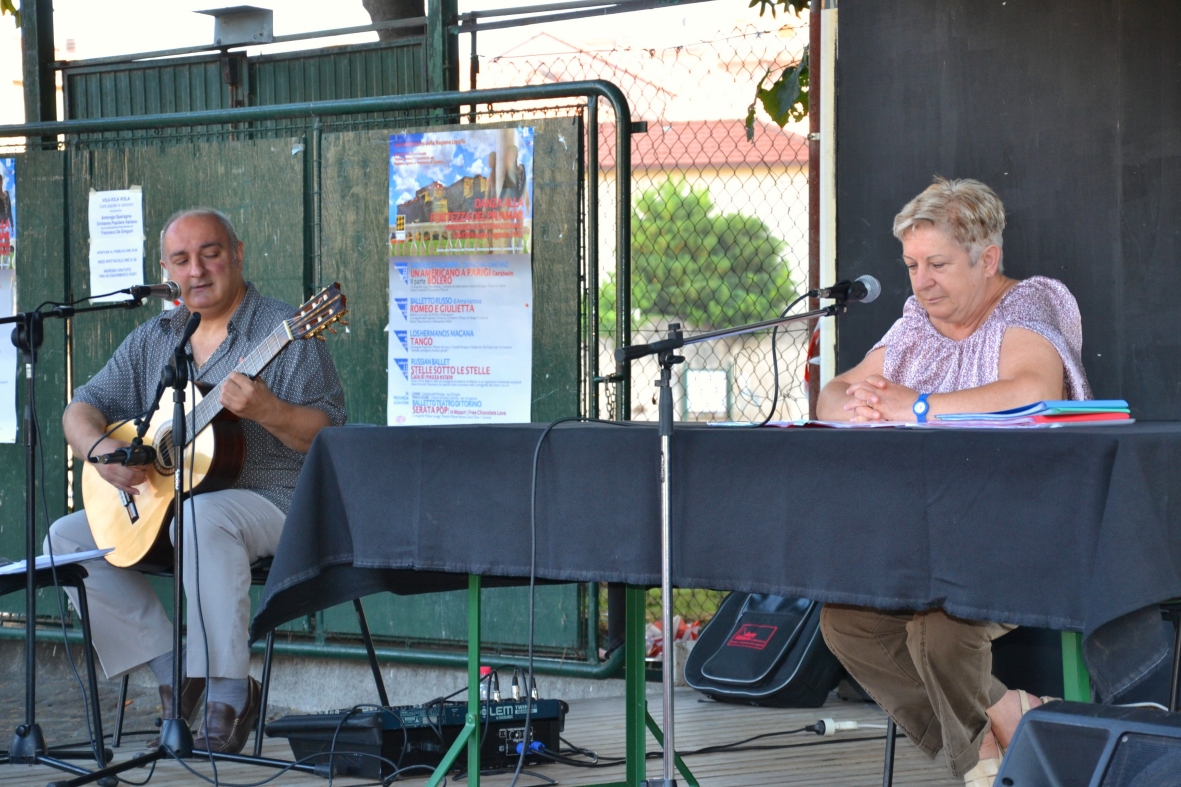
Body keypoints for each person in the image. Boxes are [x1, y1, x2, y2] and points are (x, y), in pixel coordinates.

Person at [816, 178, 1091, 787]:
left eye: (937, 264)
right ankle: (1004, 725)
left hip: (1023, 535)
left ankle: (983, 769)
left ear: (986, 259)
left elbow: (1030, 391)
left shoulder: (1029, 304)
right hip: (928, 537)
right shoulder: (918, 320)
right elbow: (834, 392)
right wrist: (858, 404)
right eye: (912, 265)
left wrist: (916, 405)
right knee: (845, 622)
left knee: (941, 635)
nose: (921, 282)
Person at [46, 208, 346, 755]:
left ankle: (229, 691)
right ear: (165, 270)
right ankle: (175, 676)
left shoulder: (286, 332)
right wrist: (101, 451)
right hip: (175, 508)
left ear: (237, 253)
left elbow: (328, 436)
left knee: (202, 518)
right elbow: (79, 409)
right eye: (181, 260)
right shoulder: (155, 338)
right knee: (65, 540)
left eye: (210, 253)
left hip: (278, 500)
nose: (197, 270)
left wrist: (268, 409)